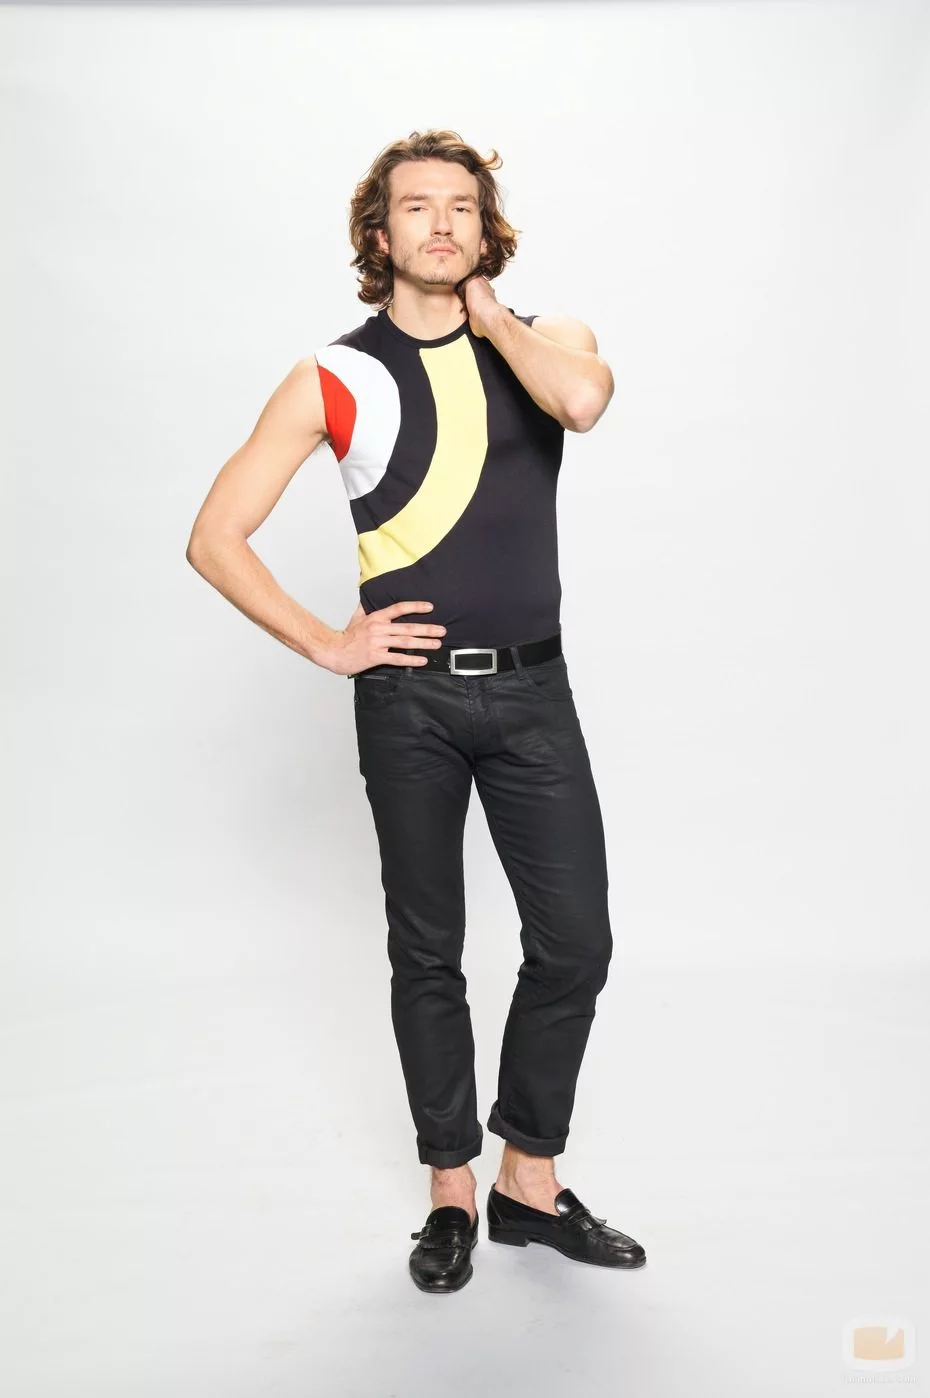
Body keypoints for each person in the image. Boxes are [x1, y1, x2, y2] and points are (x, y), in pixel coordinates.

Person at [186, 128, 646, 1293]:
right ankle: (452, 1190)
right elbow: (215, 536)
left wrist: (491, 316)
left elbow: (582, 403)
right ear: (378, 234)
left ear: (486, 231)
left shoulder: (549, 339)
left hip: (535, 692)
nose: (441, 223)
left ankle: (529, 1181)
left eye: (462, 207)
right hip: (409, 703)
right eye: (416, 207)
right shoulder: (331, 376)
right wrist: (328, 643)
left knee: (576, 942)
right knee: (427, 949)